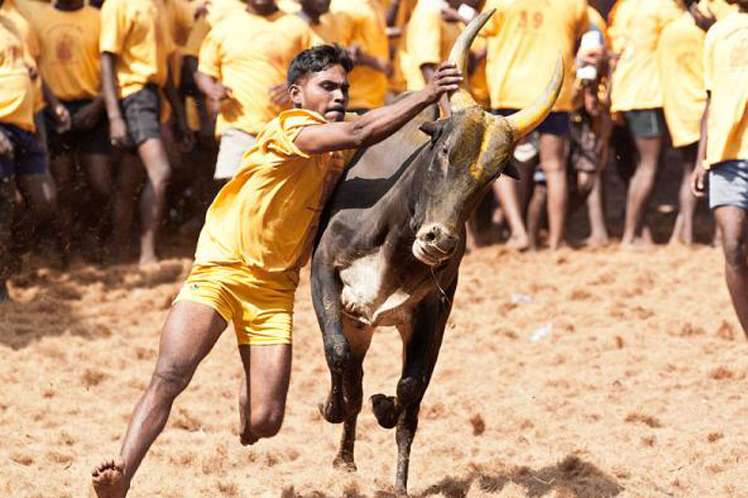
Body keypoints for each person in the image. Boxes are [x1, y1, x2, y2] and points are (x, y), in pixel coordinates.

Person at [91, 44, 462, 498]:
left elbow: (377, 144)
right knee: (171, 376)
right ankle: (121, 474)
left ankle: (243, 373)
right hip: (222, 268)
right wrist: (428, 93)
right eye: (327, 87)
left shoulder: (334, 148)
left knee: (262, 424)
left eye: (344, 87)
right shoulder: (291, 128)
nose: (339, 95)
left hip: (273, 289)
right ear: (296, 94)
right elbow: (363, 129)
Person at [481, 0, 590, 250]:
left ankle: (518, 232)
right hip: (554, 92)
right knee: (555, 168)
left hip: (510, 91)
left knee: (499, 164)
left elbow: (483, 31)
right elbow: (581, 37)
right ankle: (556, 240)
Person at [99, 0, 191, 265]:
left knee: (129, 180)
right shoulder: (118, 5)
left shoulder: (160, 6)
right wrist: (115, 115)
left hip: (154, 96)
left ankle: (119, 251)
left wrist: (179, 115)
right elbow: (107, 60)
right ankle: (146, 253)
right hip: (133, 95)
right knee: (160, 172)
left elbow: (164, 72)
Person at [195, 0, 312, 183]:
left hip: (285, 132)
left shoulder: (297, 27)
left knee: (275, 197)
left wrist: (296, 84)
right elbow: (203, 72)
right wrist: (212, 89)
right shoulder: (225, 27)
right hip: (238, 127)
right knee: (235, 193)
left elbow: (320, 69)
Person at [30, 0, 111, 260]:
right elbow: (34, 69)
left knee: (100, 185)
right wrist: (54, 106)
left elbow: (113, 67)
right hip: (55, 110)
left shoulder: (99, 18)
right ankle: (65, 250)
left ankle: (92, 238)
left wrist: (98, 105)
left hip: (93, 108)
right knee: (62, 185)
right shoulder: (39, 20)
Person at [692, 0, 748, 336]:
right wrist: (703, 157)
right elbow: (711, 99)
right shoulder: (717, 34)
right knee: (733, 246)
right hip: (727, 157)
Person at [658, 0, 735, 245]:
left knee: (690, 171)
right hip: (709, 108)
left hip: (680, 108)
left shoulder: (670, 30)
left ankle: (686, 234)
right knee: (719, 173)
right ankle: (718, 235)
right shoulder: (715, 28)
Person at [608, 0, 682, 247]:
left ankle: (640, 232)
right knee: (648, 166)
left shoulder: (625, 6)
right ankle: (630, 236)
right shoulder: (664, 8)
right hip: (647, 93)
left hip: (626, 92)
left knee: (645, 165)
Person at [331, 0, 392, 112]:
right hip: (355, 101)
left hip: (376, 100)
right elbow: (335, 54)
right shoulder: (343, 7)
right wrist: (371, 61)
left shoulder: (374, 4)